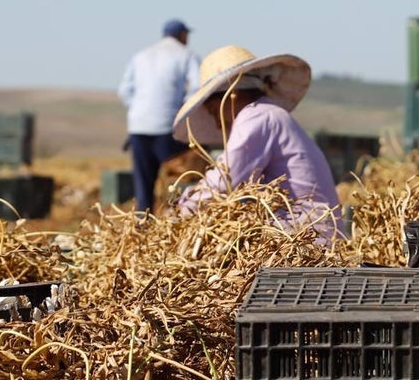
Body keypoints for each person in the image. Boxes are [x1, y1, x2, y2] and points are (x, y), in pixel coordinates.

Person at [172, 45, 342, 241]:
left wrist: (180, 212)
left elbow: (225, 182)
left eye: (214, 112)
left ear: (231, 96)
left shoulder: (257, 117)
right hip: (312, 235)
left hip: (307, 240)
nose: (218, 124)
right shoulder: (270, 113)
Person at [118, 18, 201, 212]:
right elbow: (197, 88)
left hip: (139, 126)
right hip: (169, 127)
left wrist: (139, 110)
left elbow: (125, 90)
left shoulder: (140, 56)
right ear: (183, 35)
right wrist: (181, 112)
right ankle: (179, 215)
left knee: (143, 180)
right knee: (181, 175)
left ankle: (143, 221)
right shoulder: (187, 55)